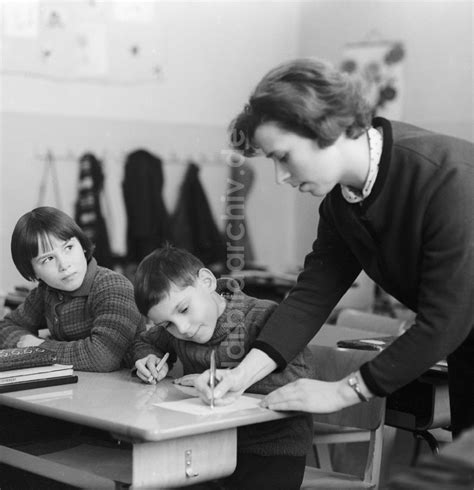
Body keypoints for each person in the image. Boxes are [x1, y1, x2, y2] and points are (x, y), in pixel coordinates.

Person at [194, 57, 474, 438]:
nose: (281, 178)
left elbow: (445, 320)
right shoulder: (342, 204)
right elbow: (311, 296)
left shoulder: (448, 177)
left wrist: (342, 392)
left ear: (325, 128)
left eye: (283, 157)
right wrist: (241, 374)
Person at [133, 244, 313, 490]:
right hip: (206, 445)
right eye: (168, 325)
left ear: (206, 281)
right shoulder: (179, 330)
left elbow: (299, 379)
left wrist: (224, 380)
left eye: (184, 309)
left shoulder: (263, 316)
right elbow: (146, 341)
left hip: (270, 447)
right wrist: (148, 358)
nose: (182, 328)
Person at [0, 206, 147, 371]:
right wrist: (25, 341)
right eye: (48, 259)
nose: (64, 265)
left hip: (128, 388)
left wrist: (40, 347)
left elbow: (102, 357)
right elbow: (6, 327)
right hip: (80, 387)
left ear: (83, 246)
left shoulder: (113, 286)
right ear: (33, 272)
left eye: (68, 248)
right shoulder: (46, 292)